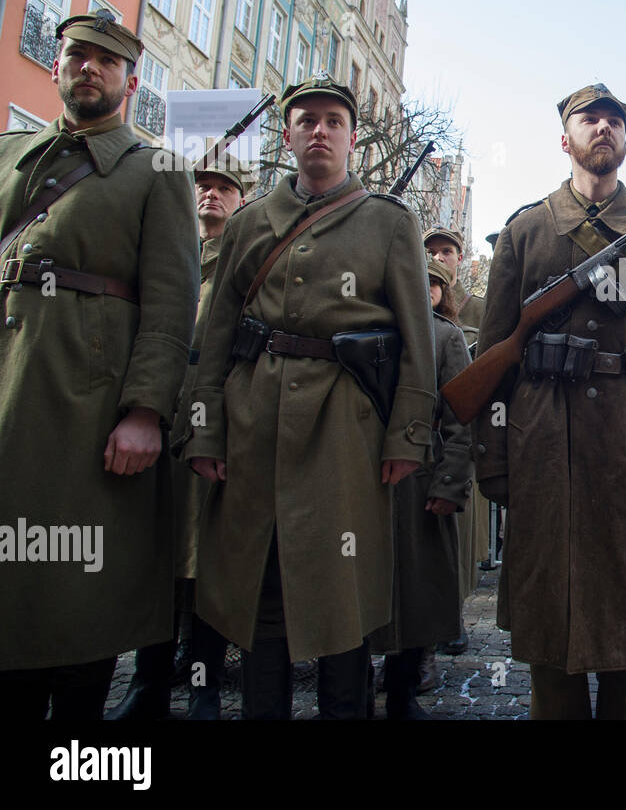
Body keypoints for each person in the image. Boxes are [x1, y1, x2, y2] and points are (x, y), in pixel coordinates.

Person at [184, 75, 437, 719]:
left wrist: (407, 435)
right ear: (289, 134)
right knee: (258, 585)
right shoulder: (247, 225)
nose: (319, 130)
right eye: (306, 120)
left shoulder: (389, 223)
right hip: (252, 421)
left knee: (340, 591)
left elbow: (416, 342)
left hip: (344, 430)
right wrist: (206, 429)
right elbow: (214, 337)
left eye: (332, 120)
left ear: (352, 138)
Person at [473, 83, 626, 719]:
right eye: (589, 120)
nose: (602, 128)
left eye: (614, 121)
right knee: (552, 620)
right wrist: (495, 458)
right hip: (547, 444)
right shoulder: (527, 232)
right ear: (566, 139)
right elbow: (494, 354)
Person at [0, 13, 200, 718]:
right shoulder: (11, 154)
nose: (88, 68)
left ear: (130, 81)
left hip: (88, 407)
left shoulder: (157, 170)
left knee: (81, 590)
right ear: (56, 66)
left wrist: (146, 409)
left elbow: (173, 302)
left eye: (105, 62)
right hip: (8, 392)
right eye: (76, 56)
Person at [108, 155, 252, 720]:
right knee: (157, 556)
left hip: (218, 417)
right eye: (204, 187)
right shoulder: (165, 248)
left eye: (224, 188)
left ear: (241, 198)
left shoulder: (246, 257)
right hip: (157, 409)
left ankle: (204, 685)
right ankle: (147, 684)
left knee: (207, 557)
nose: (211, 196)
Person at [372, 258, 471, 719]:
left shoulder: (446, 336)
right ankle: (350, 689)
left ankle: (402, 689)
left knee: (418, 590)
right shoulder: (369, 325)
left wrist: (450, 483)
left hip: (420, 476)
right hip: (360, 472)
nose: (425, 289)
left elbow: (462, 418)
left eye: (435, 283)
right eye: (418, 280)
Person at [423, 224, 488, 656]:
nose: (440, 257)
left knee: (460, 538)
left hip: (466, 427)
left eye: (447, 251)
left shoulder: (477, 307)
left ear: (459, 258)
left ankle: (452, 616)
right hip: (425, 437)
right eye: (432, 251)